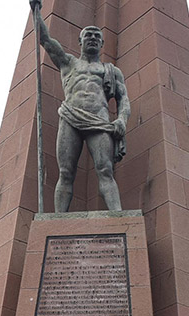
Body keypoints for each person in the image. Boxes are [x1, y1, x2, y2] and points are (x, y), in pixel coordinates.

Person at [29, 1, 130, 212]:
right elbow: (45, 39)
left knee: (105, 171)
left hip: (99, 120)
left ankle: (119, 217)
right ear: (80, 41)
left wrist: (121, 120)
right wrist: (35, 10)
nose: (92, 38)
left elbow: (124, 100)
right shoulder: (68, 63)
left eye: (96, 36)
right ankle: (57, 222)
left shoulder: (110, 70)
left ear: (102, 43)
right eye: (88, 35)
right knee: (65, 173)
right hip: (70, 118)